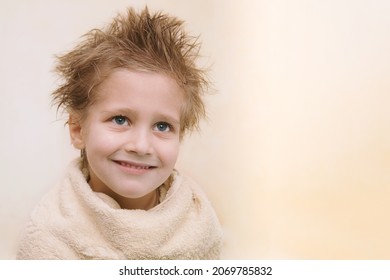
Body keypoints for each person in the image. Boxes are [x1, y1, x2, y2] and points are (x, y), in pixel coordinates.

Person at [17, 7, 223, 260]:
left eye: (162, 126)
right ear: (78, 129)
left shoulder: (198, 221)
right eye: (120, 119)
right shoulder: (51, 233)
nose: (141, 145)